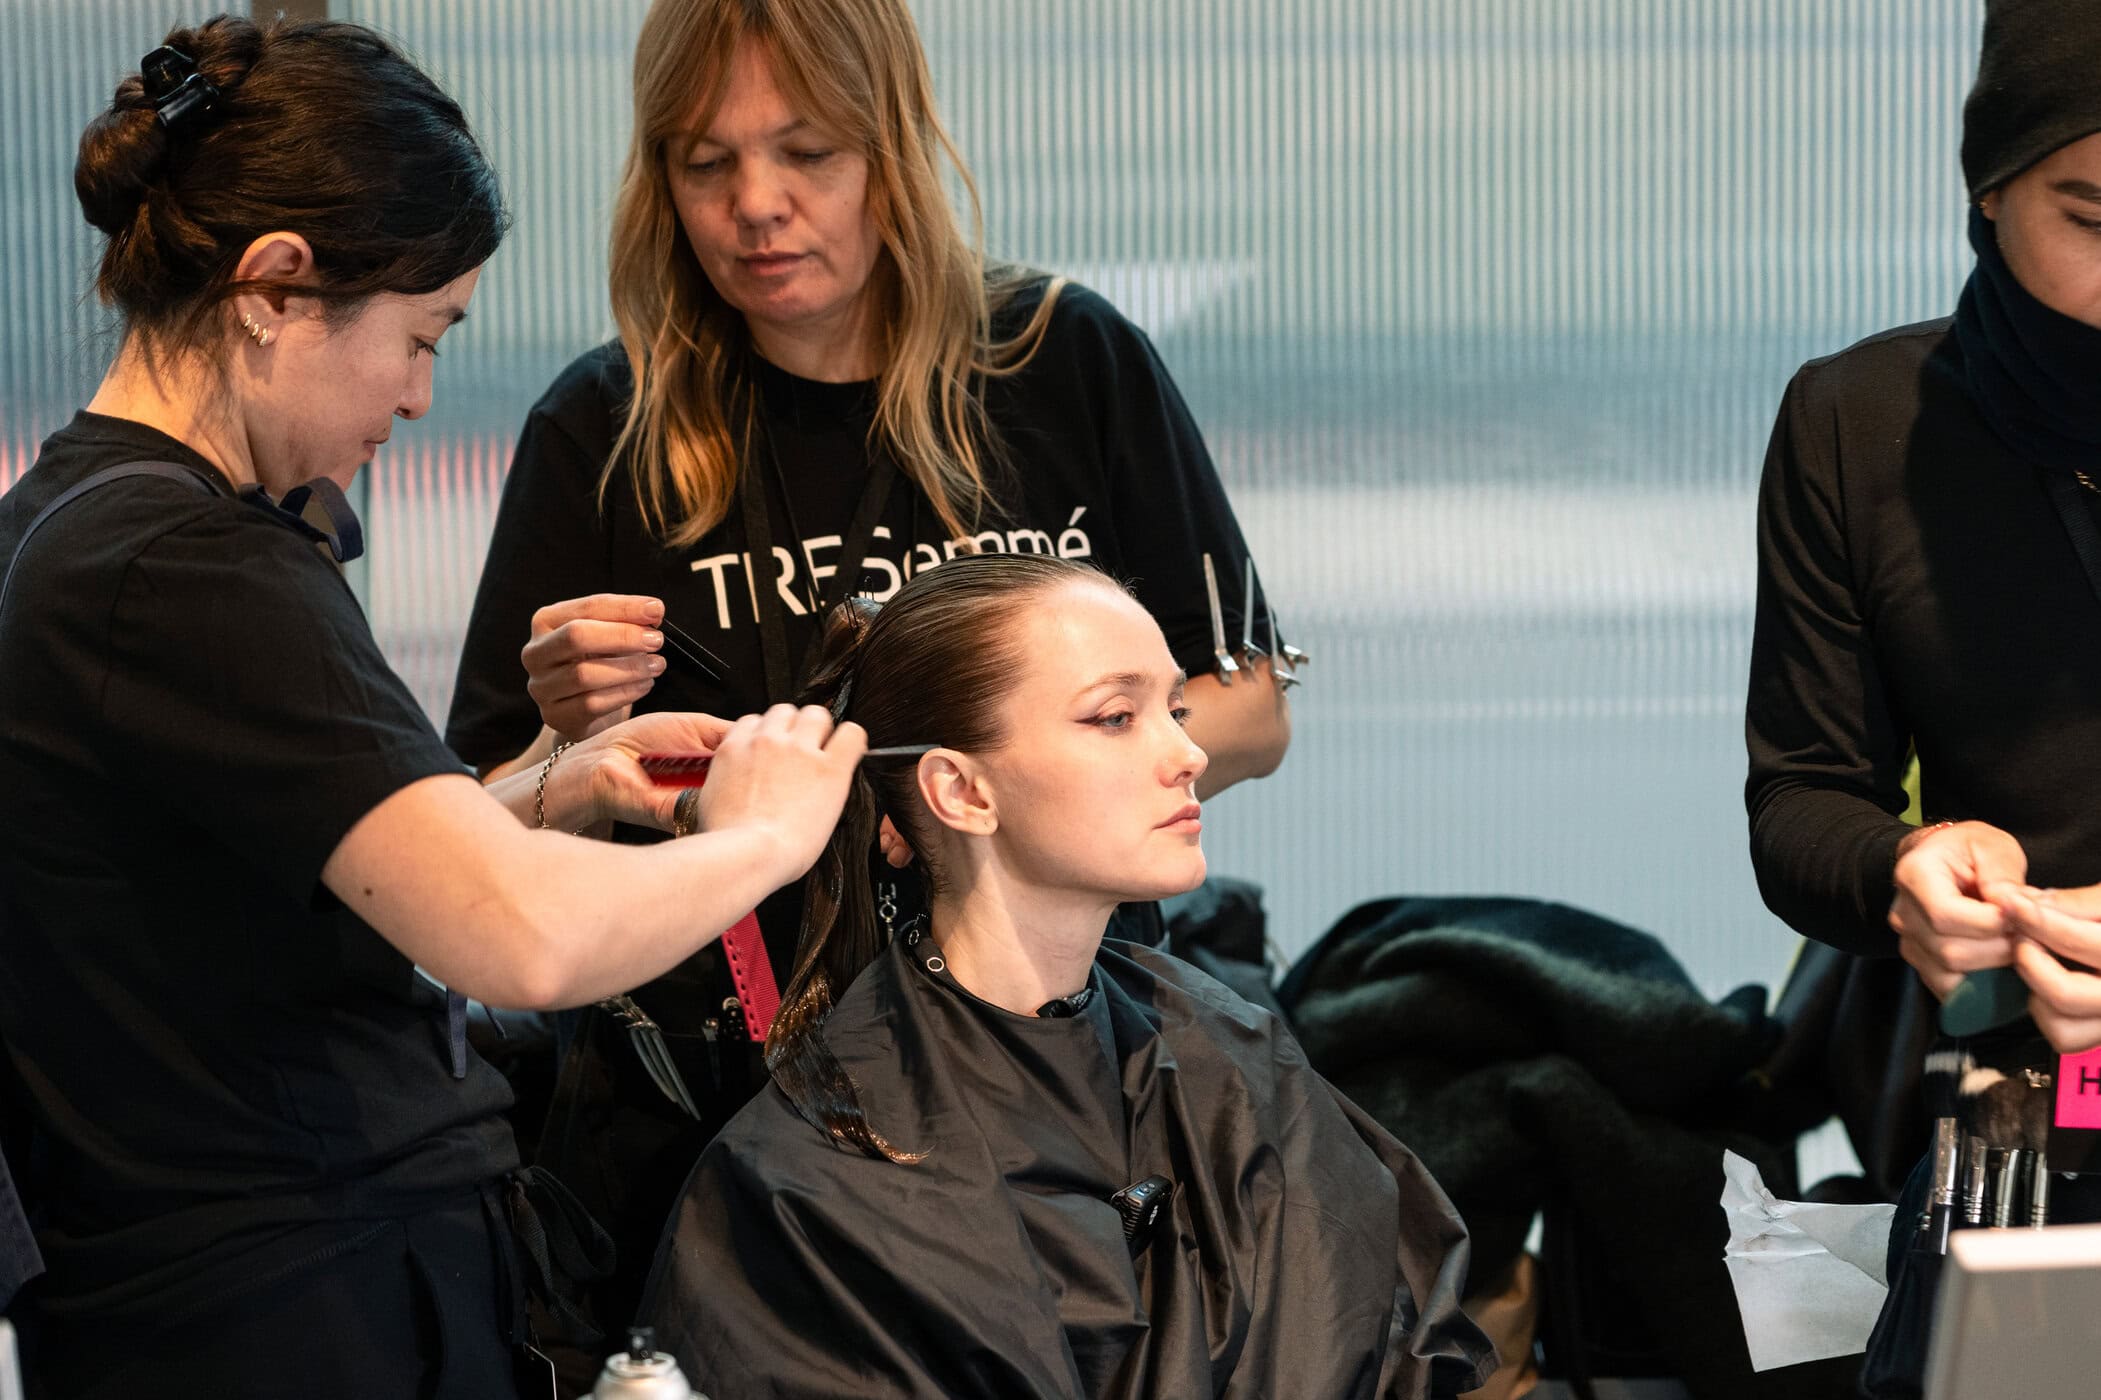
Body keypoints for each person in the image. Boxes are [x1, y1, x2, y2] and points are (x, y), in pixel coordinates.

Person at [0, 18, 863, 1399]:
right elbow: (518, 940)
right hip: (295, 1313)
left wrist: (548, 790)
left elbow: (289, 865)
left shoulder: (69, 523)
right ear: (275, 287)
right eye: (418, 336)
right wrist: (765, 836)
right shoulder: (187, 565)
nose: (416, 396)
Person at [443, 0, 1294, 1345]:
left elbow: (1249, 710)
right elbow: (481, 824)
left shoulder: (1061, 362)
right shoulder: (604, 431)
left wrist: (1051, 759)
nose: (756, 209)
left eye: (809, 154)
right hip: (719, 1118)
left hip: (1060, 1088)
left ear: (892, 147)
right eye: (704, 163)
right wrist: (568, 747)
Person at [642, 553, 1493, 1399]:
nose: (1189, 753)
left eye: (1176, 709)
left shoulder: (1229, 1051)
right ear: (960, 791)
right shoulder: (811, 1184)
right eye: (1116, 717)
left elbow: (1386, 1348)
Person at [1745, 1, 2101, 1391]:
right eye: (2089, 215)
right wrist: (1908, 865)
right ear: (1990, 185)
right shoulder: (1863, 425)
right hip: (2042, 1086)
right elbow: (1800, 801)